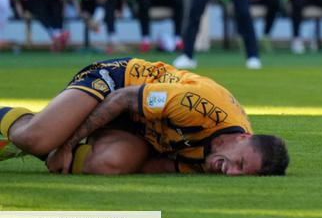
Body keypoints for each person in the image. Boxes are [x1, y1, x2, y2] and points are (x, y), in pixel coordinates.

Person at [0, 58, 288, 175]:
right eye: (238, 162)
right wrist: (64, 146)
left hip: (141, 127)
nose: (231, 172)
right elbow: (124, 98)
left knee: (108, 164)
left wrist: (128, 161)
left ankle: (44, 138)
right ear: (241, 137)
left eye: (241, 173)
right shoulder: (200, 105)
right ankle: (42, 136)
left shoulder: (214, 158)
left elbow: (161, 164)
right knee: (36, 139)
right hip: (119, 82)